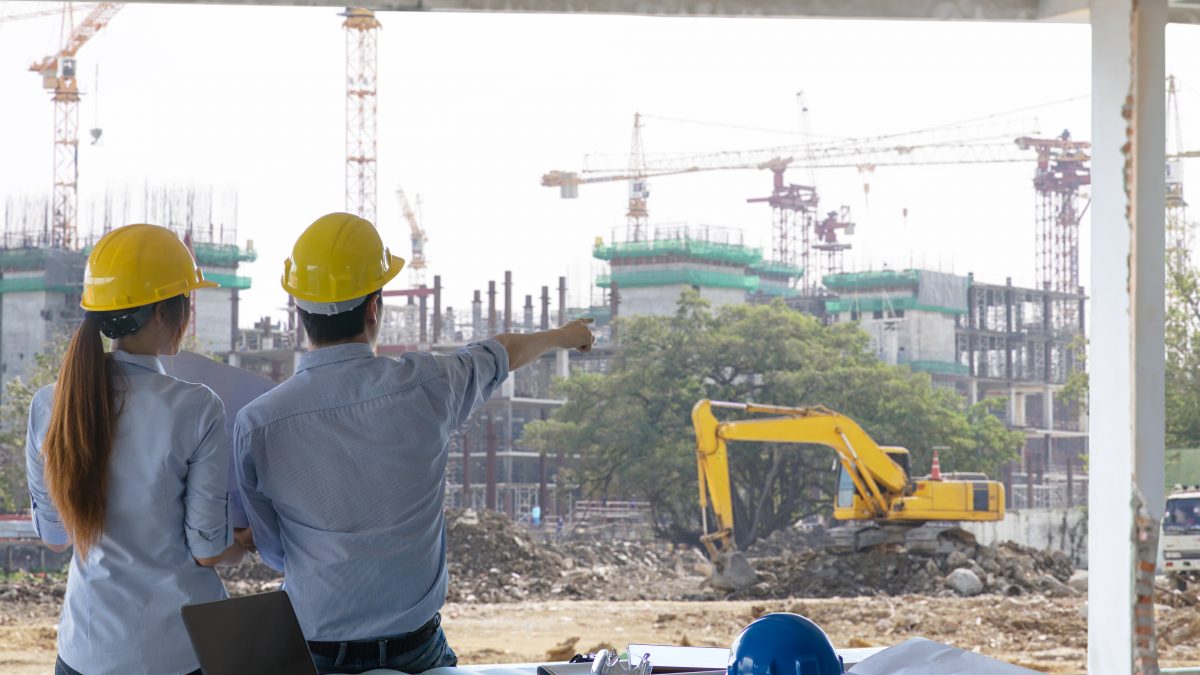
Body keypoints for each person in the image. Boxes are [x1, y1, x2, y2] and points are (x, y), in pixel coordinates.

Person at [235, 212, 594, 675]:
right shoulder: (429, 384)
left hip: (318, 650)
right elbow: (503, 352)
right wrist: (566, 336)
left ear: (299, 312)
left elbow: (274, 550)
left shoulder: (258, 423)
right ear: (373, 307)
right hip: (417, 650)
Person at [25, 224, 248, 675]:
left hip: (86, 650)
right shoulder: (196, 406)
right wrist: (246, 542)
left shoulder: (51, 403)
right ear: (169, 312)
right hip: (180, 653)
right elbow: (207, 549)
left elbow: (54, 537)